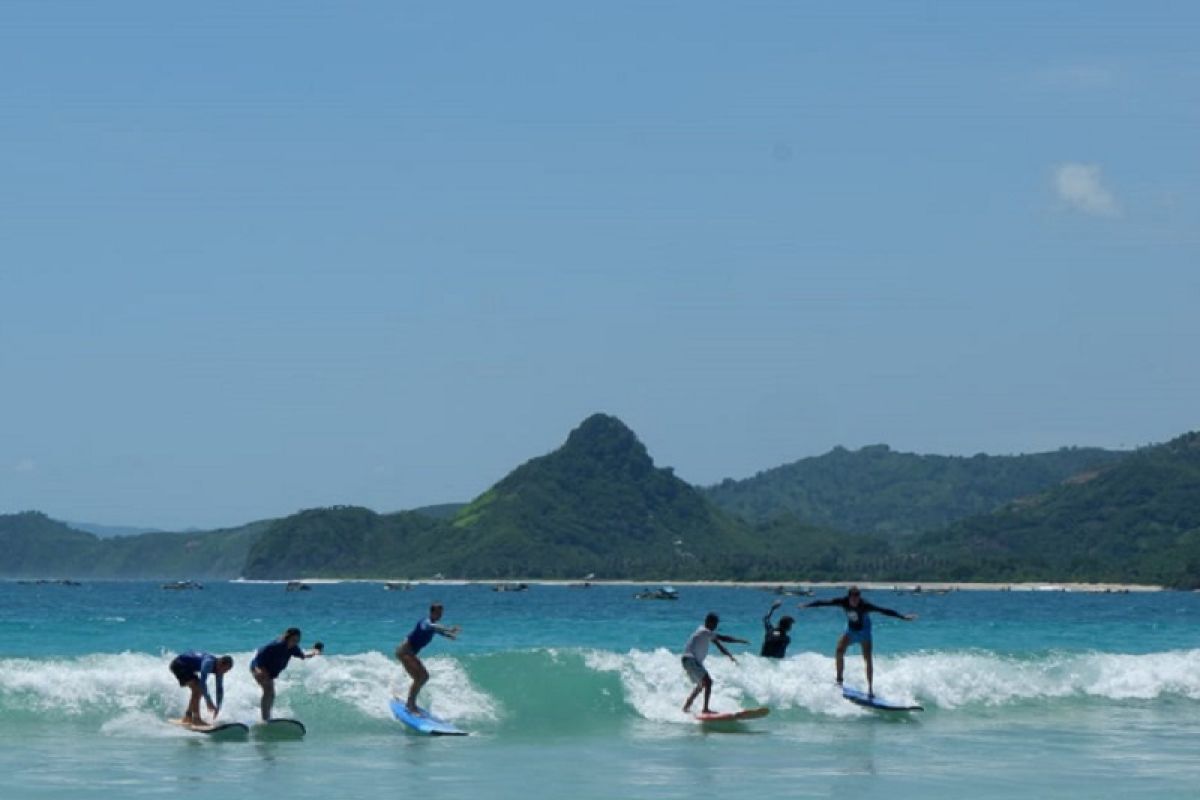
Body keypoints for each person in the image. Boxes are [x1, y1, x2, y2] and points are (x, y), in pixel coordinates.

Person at [800, 586, 916, 697]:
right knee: (839, 651)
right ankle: (839, 681)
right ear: (849, 597)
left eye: (857, 598)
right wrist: (807, 605)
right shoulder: (843, 601)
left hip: (864, 631)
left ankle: (870, 689)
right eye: (853, 598)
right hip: (850, 630)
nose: (855, 601)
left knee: (867, 658)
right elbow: (824, 602)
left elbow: (883, 610)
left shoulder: (865, 605)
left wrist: (902, 617)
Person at [395, 603, 460, 714]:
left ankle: (410, 702)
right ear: (432, 612)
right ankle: (410, 705)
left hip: (409, 653)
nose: (440, 615)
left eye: (441, 613)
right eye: (438, 613)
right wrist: (449, 629)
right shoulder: (425, 622)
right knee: (421, 677)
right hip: (404, 652)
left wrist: (448, 635)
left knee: (422, 677)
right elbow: (433, 627)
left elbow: (437, 630)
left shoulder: (432, 624)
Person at [681, 612, 749, 714]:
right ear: (709, 622)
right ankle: (705, 709)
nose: (716, 627)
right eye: (715, 624)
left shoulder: (706, 633)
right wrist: (740, 640)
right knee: (708, 682)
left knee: (701, 685)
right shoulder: (704, 631)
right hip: (691, 659)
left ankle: (686, 707)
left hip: (688, 660)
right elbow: (723, 638)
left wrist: (730, 656)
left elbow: (719, 645)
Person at [250, 627, 323, 721]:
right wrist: (258, 670)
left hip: (269, 672)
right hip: (259, 668)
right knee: (268, 691)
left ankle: (266, 717)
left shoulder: (293, 648)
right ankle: (265, 718)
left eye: (298, 640)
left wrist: (315, 652)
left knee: (271, 693)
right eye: (294, 640)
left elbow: (303, 656)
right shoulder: (274, 646)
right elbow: (257, 658)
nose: (295, 642)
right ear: (287, 638)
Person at [169, 650, 233, 726]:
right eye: (225, 669)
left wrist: (218, 707)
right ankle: (196, 719)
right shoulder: (208, 663)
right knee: (198, 689)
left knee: (197, 690)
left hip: (188, 668)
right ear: (220, 664)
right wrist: (208, 701)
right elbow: (203, 683)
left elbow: (219, 688)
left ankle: (188, 717)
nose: (225, 672)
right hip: (178, 665)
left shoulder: (220, 670)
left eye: (227, 671)